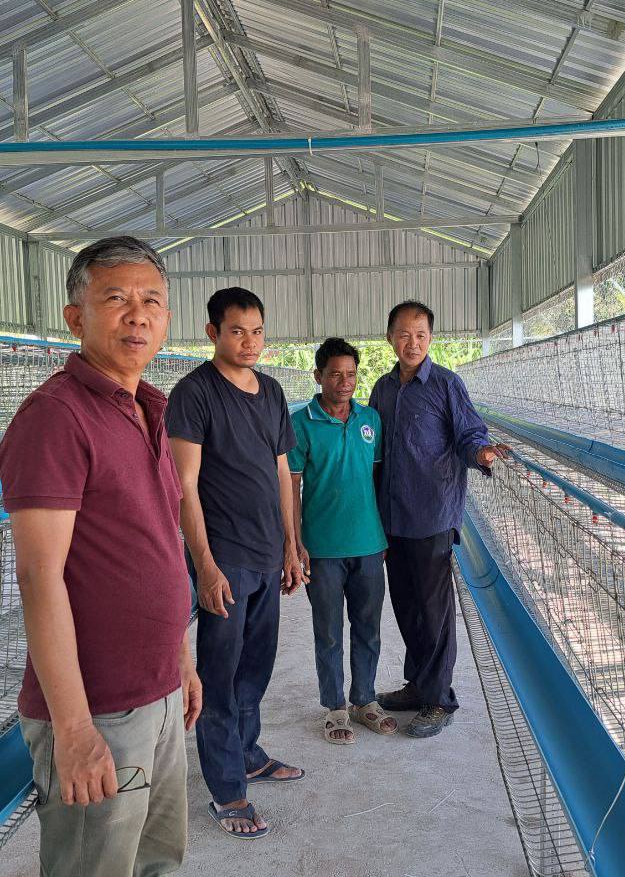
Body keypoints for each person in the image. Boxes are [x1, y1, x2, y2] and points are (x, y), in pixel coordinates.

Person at [0, 236, 243, 877]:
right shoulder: (54, 419)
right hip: (97, 711)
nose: (136, 316)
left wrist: (180, 657)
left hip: (157, 694)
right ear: (76, 316)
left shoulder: (152, 408)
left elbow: (156, 545)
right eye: (115, 299)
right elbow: (39, 576)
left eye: (150, 301)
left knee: (152, 869)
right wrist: (73, 730)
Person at [166, 288, 306, 838]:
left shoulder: (270, 391)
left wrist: (291, 546)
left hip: (268, 555)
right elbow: (184, 485)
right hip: (225, 559)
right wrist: (204, 565)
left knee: (257, 667)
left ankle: (247, 754)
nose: (249, 342)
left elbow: (282, 473)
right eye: (237, 331)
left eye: (257, 331)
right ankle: (226, 789)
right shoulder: (194, 394)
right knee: (219, 677)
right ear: (213, 333)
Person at [369, 300, 508, 738]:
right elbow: (374, 450)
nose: (412, 343)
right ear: (390, 338)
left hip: (431, 514)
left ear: (430, 338)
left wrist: (481, 453)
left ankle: (439, 699)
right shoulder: (382, 389)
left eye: (421, 335)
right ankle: (417, 686)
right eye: (404, 334)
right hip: (392, 517)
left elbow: (469, 434)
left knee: (434, 612)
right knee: (406, 606)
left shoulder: (447, 384)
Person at [289, 338, 397, 745]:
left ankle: (365, 700)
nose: (345, 382)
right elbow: (291, 488)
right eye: (335, 374)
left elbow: (376, 479)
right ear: (318, 376)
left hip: (368, 544)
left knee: (368, 627)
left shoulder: (371, 420)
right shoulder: (300, 424)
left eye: (351, 374)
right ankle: (335, 706)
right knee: (329, 631)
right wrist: (295, 542)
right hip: (322, 549)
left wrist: (381, 534)